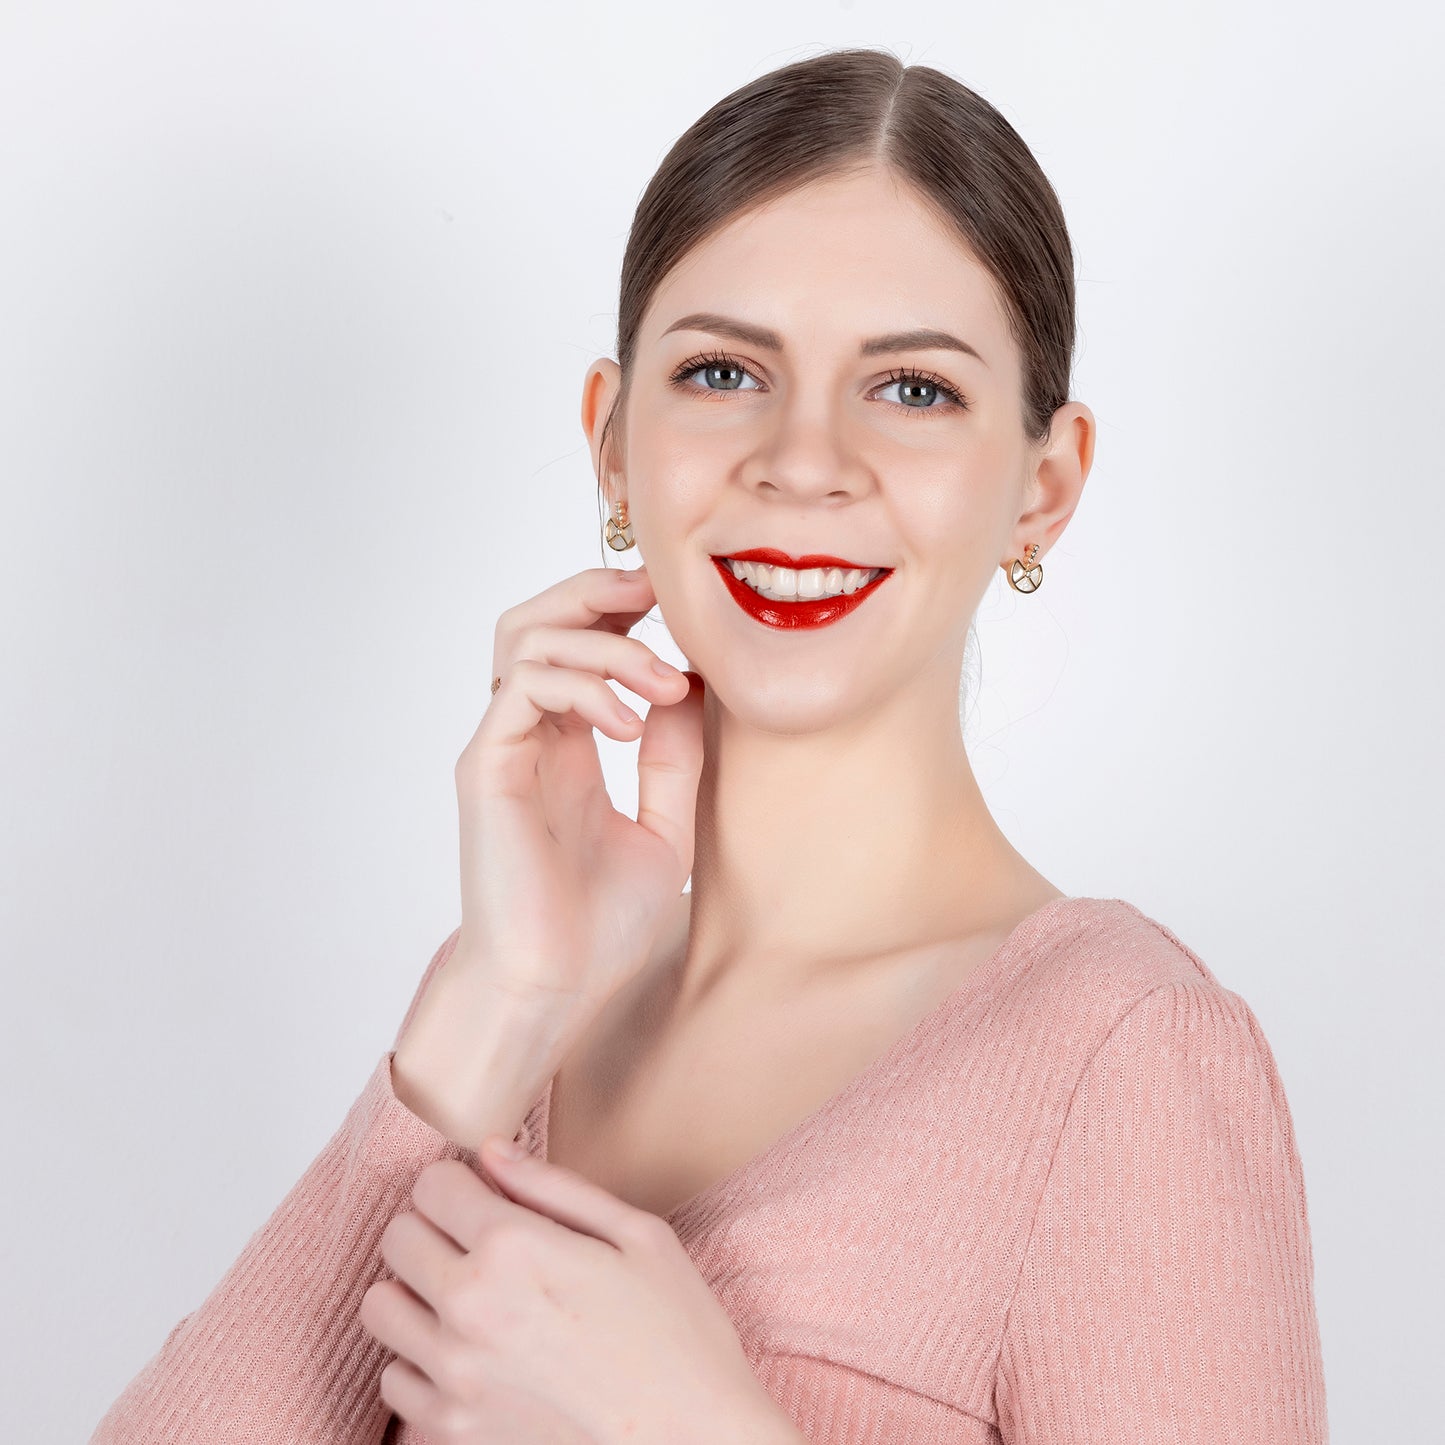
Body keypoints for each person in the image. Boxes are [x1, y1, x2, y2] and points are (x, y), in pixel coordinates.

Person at [90, 47, 1329, 1445]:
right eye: (725, 370)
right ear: (614, 447)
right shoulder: (521, 1027)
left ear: (1043, 488)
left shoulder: (1126, 1057)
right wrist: (497, 998)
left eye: (911, 388)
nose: (802, 460)